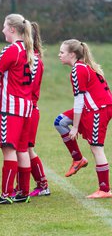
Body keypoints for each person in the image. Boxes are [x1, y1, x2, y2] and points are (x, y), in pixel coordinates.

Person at [0, 14, 35, 204]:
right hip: (26, 107)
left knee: (9, 149)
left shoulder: (10, 50)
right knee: (21, 150)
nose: (2, 30)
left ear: (12, 29)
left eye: (4, 26)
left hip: (10, 108)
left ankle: (7, 194)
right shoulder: (29, 50)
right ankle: (23, 192)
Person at [55, 39, 112, 198]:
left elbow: (79, 100)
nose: (59, 55)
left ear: (72, 54)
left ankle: (104, 190)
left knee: (96, 148)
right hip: (93, 108)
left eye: (62, 52)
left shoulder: (78, 70)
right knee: (60, 121)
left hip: (97, 110)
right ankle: (78, 159)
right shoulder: (82, 67)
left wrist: (75, 127)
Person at [25, 22, 50, 197]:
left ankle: (42, 184)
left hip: (29, 109)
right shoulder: (26, 57)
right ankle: (27, 184)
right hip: (25, 108)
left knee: (26, 148)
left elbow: (27, 88)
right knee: (23, 148)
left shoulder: (32, 60)